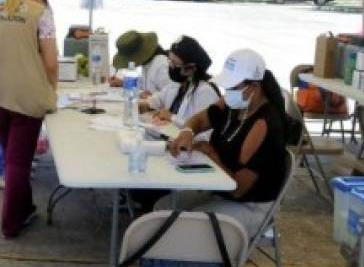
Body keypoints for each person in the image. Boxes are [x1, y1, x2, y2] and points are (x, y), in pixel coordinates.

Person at [162, 49, 288, 237]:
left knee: (186, 224)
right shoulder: (234, 103)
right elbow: (199, 120)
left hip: (251, 206)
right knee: (163, 208)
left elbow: (238, 189)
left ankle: (202, 263)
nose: (227, 93)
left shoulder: (264, 125)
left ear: (254, 87)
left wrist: (210, 153)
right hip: (221, 192)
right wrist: (187, 132)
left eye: (232, 87)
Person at [0, 0, 58, 238]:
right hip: (24, 99)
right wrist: (52, 93)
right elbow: (51, 63)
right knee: (17, 163)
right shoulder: (41, 13)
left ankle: (25, 209)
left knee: (14, 158)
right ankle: (11, 224)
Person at [140, 35, 219, 128]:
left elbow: (201, 132)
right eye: (169, 60)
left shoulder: (206, 92)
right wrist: (141, 105)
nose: (170, 66)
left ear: (191, 68)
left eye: (175, 63)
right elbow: (157, 100)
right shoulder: (178, 84)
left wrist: (171, 118)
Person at [109, 30, 171, 95]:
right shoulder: (147, 63)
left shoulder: (161, 64)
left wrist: (152, 98)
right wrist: (123, 83)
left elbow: (171, 97)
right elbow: (144, 84)